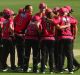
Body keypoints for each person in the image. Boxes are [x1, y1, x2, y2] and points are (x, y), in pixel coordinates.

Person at [14, 5, 32, 71]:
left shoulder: (19, 15)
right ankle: (22, 66)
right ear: (26, 9)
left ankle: (20, 65)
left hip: (17, 34)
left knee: (19, 51)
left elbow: (14, 22)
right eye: (30, 9)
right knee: (23, 51)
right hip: (22, 35)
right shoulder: (29, 16)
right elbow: (30, 26)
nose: (31, 10)